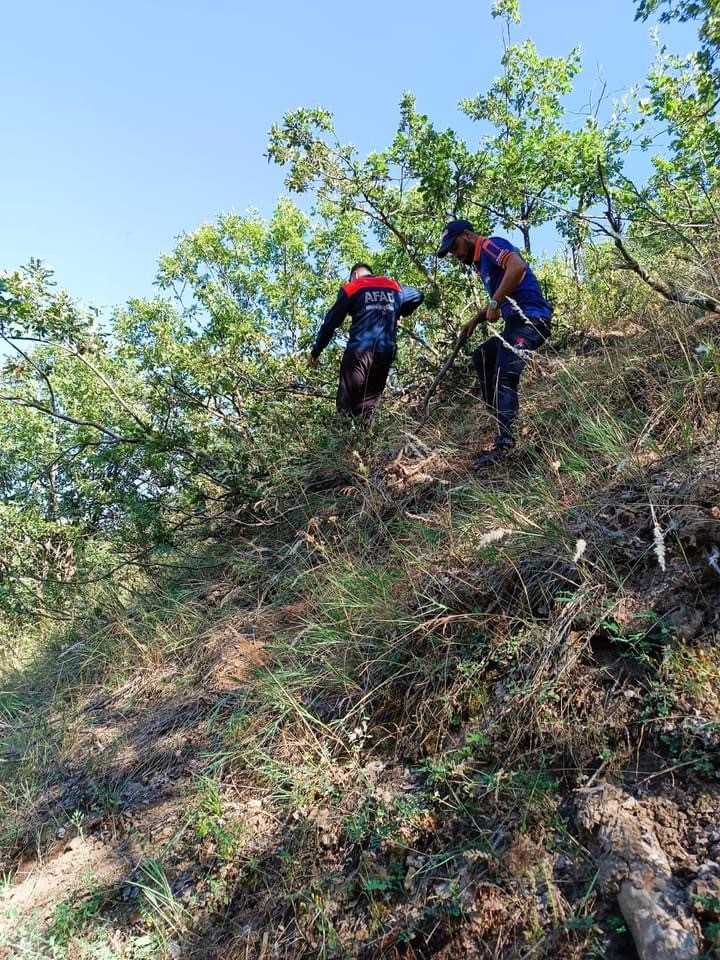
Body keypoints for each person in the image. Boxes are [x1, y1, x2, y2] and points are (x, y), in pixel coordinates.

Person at [437, 219, 552, 466]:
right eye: (451, 252)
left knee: (503, 374)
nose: (455, 254)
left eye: (455, 247)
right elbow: (499, 300)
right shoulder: (482, 265)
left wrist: (494, 302)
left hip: (532, 319)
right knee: (482, 357)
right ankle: (501, 418)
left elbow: (517, 266)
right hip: (515, 324)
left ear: (467, 235)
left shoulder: (490, 245)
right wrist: (475, 320)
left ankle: (505, 445)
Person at [309, 263, 424, 419]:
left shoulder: (352, 287)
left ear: (355, 275)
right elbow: (418, 295)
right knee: (368, 406)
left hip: (359, 351)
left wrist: (316, 351)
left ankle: (344, 432)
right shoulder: (393, 286)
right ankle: (365, 433)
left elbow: (330, 323)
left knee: (346, 403)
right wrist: (398, 312)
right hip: (384, 353)